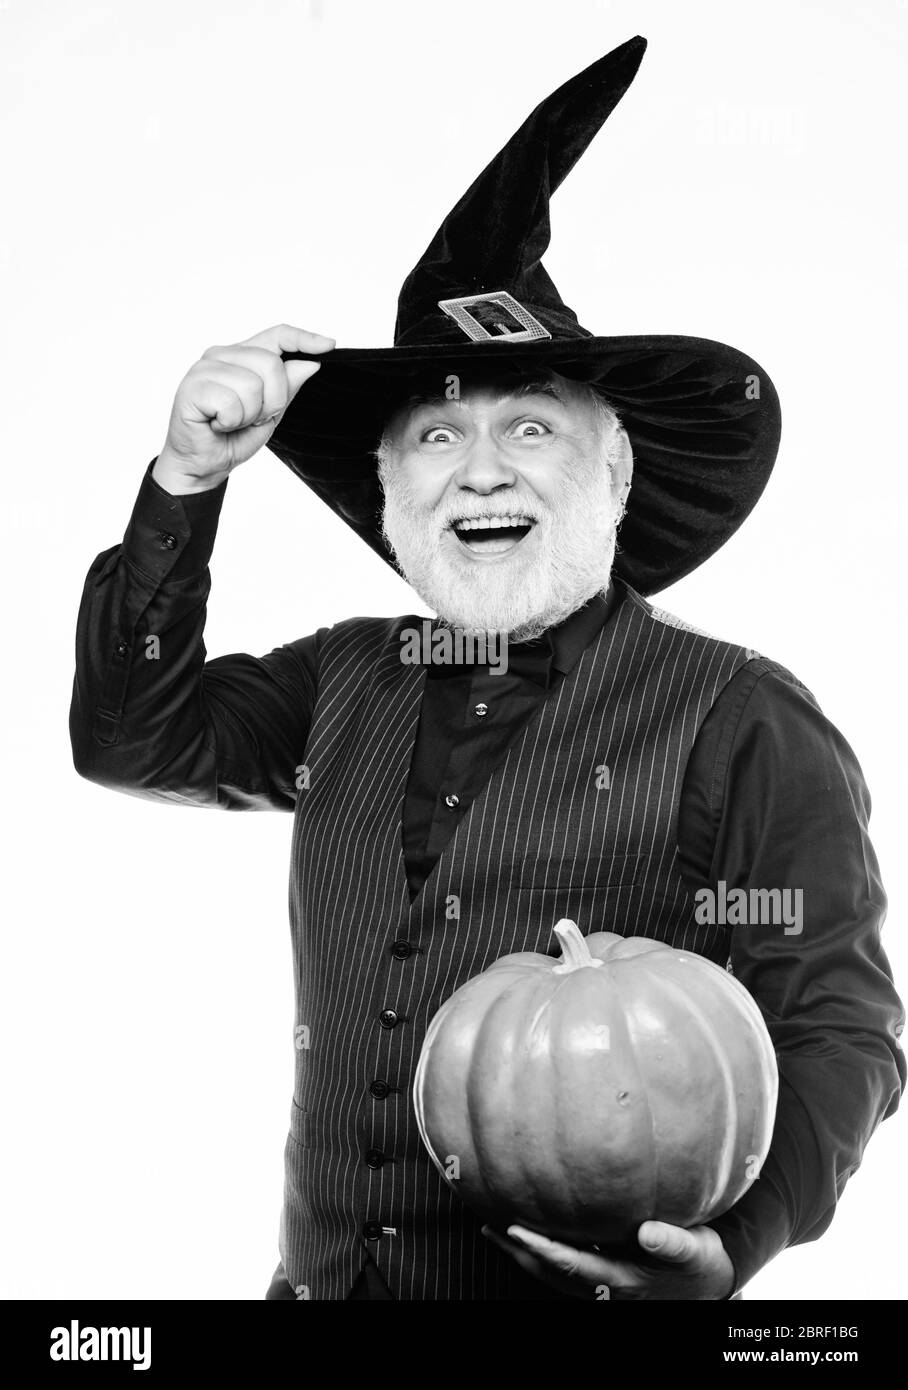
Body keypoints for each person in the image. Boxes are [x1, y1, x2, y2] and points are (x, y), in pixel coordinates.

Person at [69, 37, 904, 1301]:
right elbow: (134, 738)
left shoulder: (739, 716)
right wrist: (183, 483)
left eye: (528, 425)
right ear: (392, 498)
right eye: (436, 434)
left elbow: (835, 1019)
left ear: (613, 475)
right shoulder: (339, 680)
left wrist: (738, 1243)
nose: (480, 467)